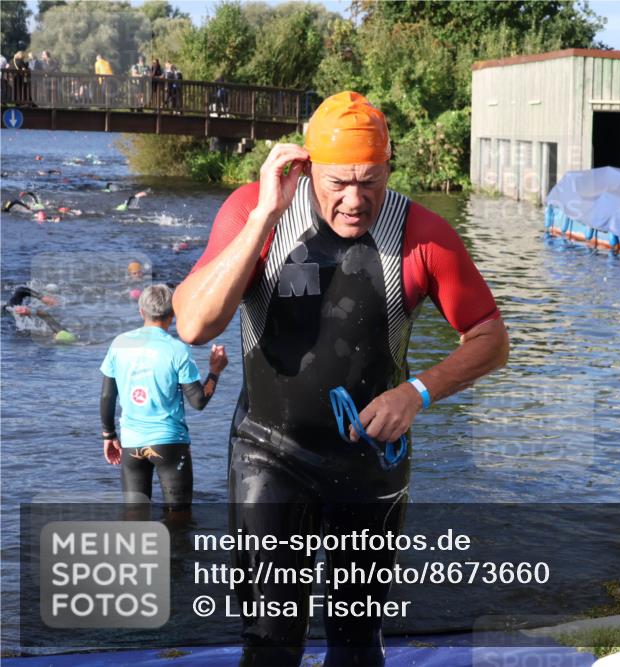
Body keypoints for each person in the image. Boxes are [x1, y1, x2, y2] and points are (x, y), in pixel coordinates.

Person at [172, 91, 509, 667]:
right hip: (268, 455)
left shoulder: (421, 233)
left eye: (370, 181)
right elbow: (195, 325)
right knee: (271, 645)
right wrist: (263, 219)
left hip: (370, 466)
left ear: (389, 168)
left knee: (357, 646)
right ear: (306, 168)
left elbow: (491, 339)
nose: (355, 201)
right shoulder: (254, 212)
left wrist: (417, 392)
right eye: (337, 183)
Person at [100, 284, 228, 515]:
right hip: (169, 444)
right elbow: (198, 401)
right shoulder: (177, 350)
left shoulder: (119, 344)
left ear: (141, 312)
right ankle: (177, 551)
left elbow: (108, 395)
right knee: (179, 518)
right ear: (173, 314)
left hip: (132, 444)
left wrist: (109, 435)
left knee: (135, 516)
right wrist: (215, 370)